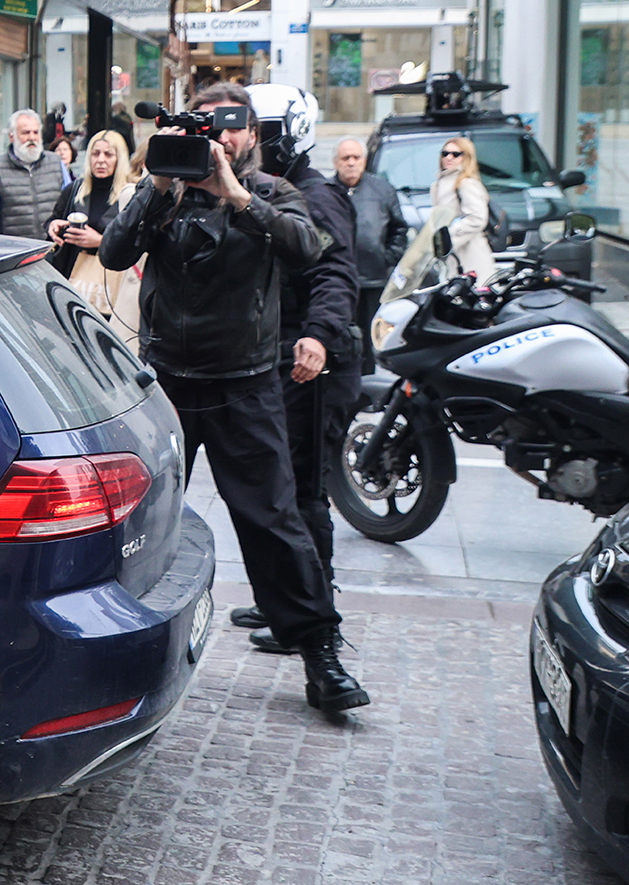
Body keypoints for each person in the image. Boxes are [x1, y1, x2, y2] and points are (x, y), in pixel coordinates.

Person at [100, 82, 369, 715]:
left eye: (230, 126)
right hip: (168, 382)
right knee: (138, 518)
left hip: (244, 384)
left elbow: (309, 249)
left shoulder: (271, 192)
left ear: (250, 134)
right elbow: (113, 251)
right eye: (205, 127)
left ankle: (319, 652)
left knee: (273, 521)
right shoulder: (163, 194)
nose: (219, 138)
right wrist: (156, 184)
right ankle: (109, 650)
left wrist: (237, 196)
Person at [233, 85, 365, 669]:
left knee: (304, 490)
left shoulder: (316, 196)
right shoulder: (265, 192)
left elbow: (336, 275)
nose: (252, 142)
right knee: (280, 489)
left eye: (262, 131)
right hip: (280, 354)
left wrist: (318, 335)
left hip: (313, 360)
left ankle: (312, 613)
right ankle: (284, 603)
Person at [332, 137, 407, 374]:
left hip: (373, 280)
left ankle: (369, 384)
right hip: (337, 281)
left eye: (356, 157)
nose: (351, 163)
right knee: (341, 339)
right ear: (335, 162)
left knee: (371, 340)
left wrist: (386, 258)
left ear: (364, 161)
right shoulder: (325, 191)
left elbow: (399, 230)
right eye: (345, 158)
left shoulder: (382, 189)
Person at [46, 129, 130, 318]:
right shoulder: (74, 190)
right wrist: (53, 226)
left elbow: (137, 244)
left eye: (108, 154)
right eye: (95, 153)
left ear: (120, 158)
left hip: (112, 285)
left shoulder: (130, 195)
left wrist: (101, 241)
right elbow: (53, 220)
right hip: (70, 280)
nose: (100, 160)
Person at [0, 108, 72, 238]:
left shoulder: (56, 163)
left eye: (36, 132)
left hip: (53, 245)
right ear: (11, 137)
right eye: (26, 133)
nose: (32, 138)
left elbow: (70, 204)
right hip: (15, 248)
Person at [432, 136, 496, 284]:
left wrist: (449, 236)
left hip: (470, 254)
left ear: (466, 158)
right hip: (451, 257)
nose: (449, 158)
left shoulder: (466, 184)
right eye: (445, 153)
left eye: (456, 154)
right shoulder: (438, 185)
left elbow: (477, 218)